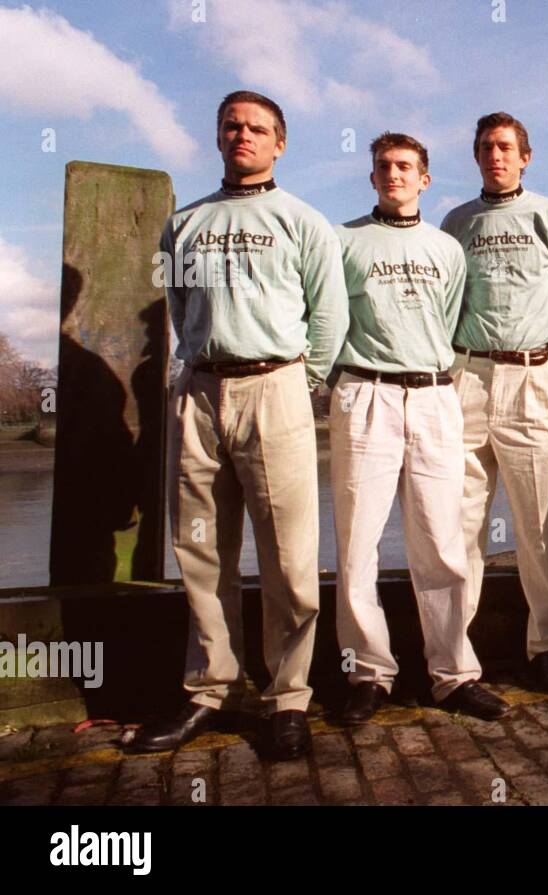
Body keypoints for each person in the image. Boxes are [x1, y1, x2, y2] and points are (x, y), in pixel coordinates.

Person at [130, 90, 347, 760]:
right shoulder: (183, 224)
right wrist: (184, 373)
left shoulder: (305, 222)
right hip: (198, 391)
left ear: (279, 142)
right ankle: (209, 688)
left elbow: (330, 318)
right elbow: (177, 302)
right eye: (231, 126)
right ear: (217, 136)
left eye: (257, 128)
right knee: (200, 549)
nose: (242, 136)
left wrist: (298, 386)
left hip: (275, 388)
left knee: (287, 557)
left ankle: (288, 697)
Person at [330, 132, 505, 724]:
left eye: (406, 166)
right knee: (358, 544)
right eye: (383, 166)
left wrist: (431, 382)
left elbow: (454, 322)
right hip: (366, 393)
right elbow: (327, 317)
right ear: (372, 177)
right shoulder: (343, 240)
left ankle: (453, 673)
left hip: (433, 396)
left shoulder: (446, 250)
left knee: (442, 540)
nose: (394, 174)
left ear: (425, 179)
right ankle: (368, 671)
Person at [441, 112, 548, 698]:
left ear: (525, 156)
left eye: (504, 147)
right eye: (484, 148)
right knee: (460, 523)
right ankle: (452, 657)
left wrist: (536, 354)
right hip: (467, 379)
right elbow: (445, 300)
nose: (494, 156)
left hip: (529, 376)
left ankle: (547, 647)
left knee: (537, 523)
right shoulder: (456, 222)